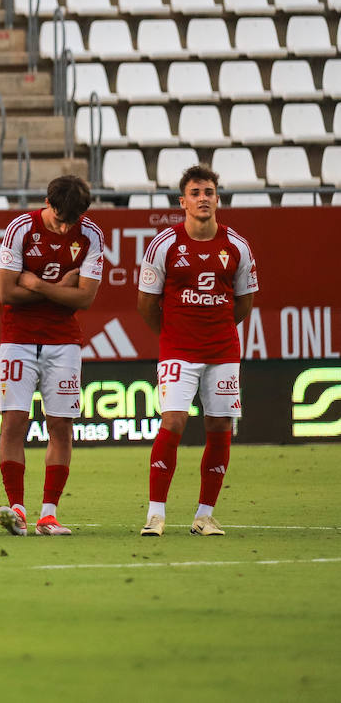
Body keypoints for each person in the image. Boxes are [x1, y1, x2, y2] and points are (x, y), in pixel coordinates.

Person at [136, 165, 257, 537]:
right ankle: (156, 514)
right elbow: (145, 303)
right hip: (177, 350)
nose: (203, 198)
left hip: (222, 350)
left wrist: (214, 330)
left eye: (208, 192)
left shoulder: (236, 245)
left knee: (220, 426)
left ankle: (204, 515)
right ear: (182, 201)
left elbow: (243, 303)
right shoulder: (165, 244)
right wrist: (173, 335)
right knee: (173, 421)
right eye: (195, 193)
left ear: (217, 198)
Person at [0, 175, 104, 537]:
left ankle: (49, 515)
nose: (65, 226)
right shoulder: (20, 229)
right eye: (60, 218)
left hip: (64, 343)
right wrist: (61, 290)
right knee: (13, 422)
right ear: (47, 202)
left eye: (72, 220)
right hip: (18, 340)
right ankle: (18, 509)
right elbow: (6, 293)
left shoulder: (91, 236)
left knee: (61, 426)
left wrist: (39, 285)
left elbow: (85, 299)